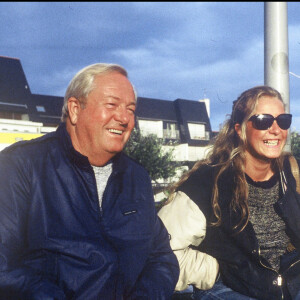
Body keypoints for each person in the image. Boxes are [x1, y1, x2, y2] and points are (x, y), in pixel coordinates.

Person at [0, 63, 179, 299]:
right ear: (75, 109)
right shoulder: (20, 166)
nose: (124, 118)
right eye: (112, 105)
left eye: (131, 109)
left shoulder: (137, 177)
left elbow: (161, 259)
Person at [158, 86, 300, 300]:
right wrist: (212, 271)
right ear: (240, 129)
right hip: (231, 289)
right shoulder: (208, 182)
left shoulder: (291, 173)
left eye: (283, 120)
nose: (276, 129)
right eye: (263, 121)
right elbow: (158, 249)